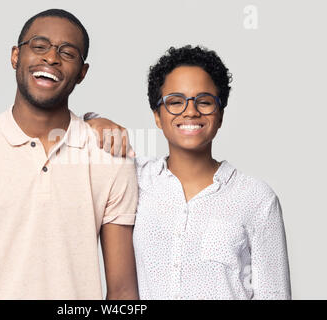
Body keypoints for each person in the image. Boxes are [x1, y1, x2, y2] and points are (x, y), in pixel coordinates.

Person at [0, 9, 139, 300]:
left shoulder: (111, 157)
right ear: (15, 56)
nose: (51, 58)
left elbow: (123, 291)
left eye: (67, 52)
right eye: (39, 46)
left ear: (82, 72)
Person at [89, 45, 291, 299]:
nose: (191, 111)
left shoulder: (256, 198)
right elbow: (76, 137)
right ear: (157, 117)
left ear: (220, 115)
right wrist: (93, 120)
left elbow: (275, 294)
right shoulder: (135, 179)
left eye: (204, 101)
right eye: (175, 102)